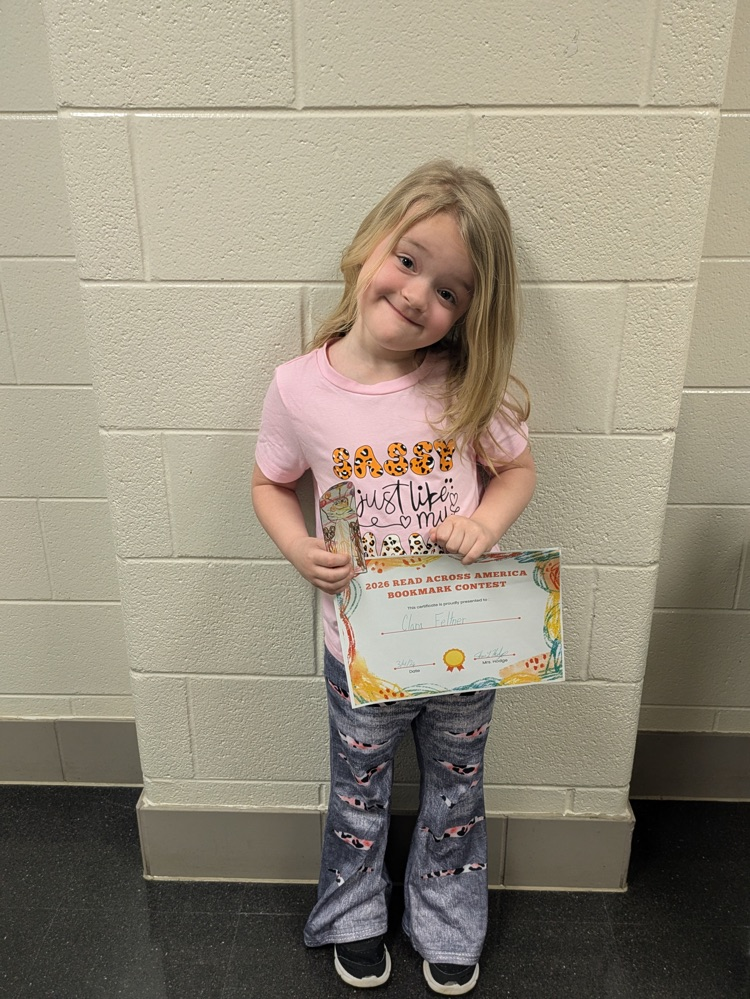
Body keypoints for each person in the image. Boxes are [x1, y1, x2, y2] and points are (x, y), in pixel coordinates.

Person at [252, 160, 536, 995]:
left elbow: (518, 471)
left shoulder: (465, 384)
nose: (418, 296)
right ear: (371, 244)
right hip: (360, 650)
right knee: (358, 792)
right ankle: (353, 914)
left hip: (461, 647)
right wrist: (299, 548)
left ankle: (448, 920)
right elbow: (269, 481)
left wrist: (486, 519)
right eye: (409, 261)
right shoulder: (298, 388)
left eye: (449, 292)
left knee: (457, 795)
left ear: (467, 315)